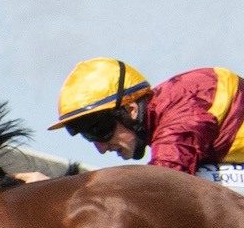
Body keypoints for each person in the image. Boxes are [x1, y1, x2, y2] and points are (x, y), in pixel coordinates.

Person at [49, 58, 244, 184]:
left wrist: (55, 191)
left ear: (131, 110)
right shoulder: (169, 105)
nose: (100, 148)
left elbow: (158, 185)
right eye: (87, 135)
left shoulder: (180, 113)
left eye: (98, 130)